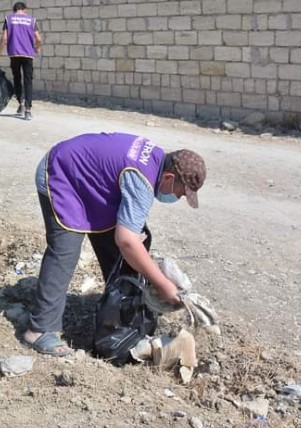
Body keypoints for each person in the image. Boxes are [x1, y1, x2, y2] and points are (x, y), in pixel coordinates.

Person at [23, 132, 206, 357]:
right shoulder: (142, 180)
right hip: (62, 175)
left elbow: (129, 240)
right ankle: (40, 329)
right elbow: (126, 241)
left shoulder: (157, 161)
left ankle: (123, 321)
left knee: (127, 248)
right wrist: (162, 284)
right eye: (179, 193)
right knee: (65, 252)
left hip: (92, 185)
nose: (176, 199)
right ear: (168, 178)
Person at [0, 2, 42, 120]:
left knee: (17, 78)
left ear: (14, 9)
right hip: (28, 55)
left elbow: (4, 38)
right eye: (26, 11)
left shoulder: (9, 19)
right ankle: (28, 110)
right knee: (28, 81)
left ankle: (20, 104)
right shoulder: (31, 20)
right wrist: (37, 48)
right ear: (23, 9)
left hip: (14, 54)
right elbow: (38, 38)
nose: (26, 14)